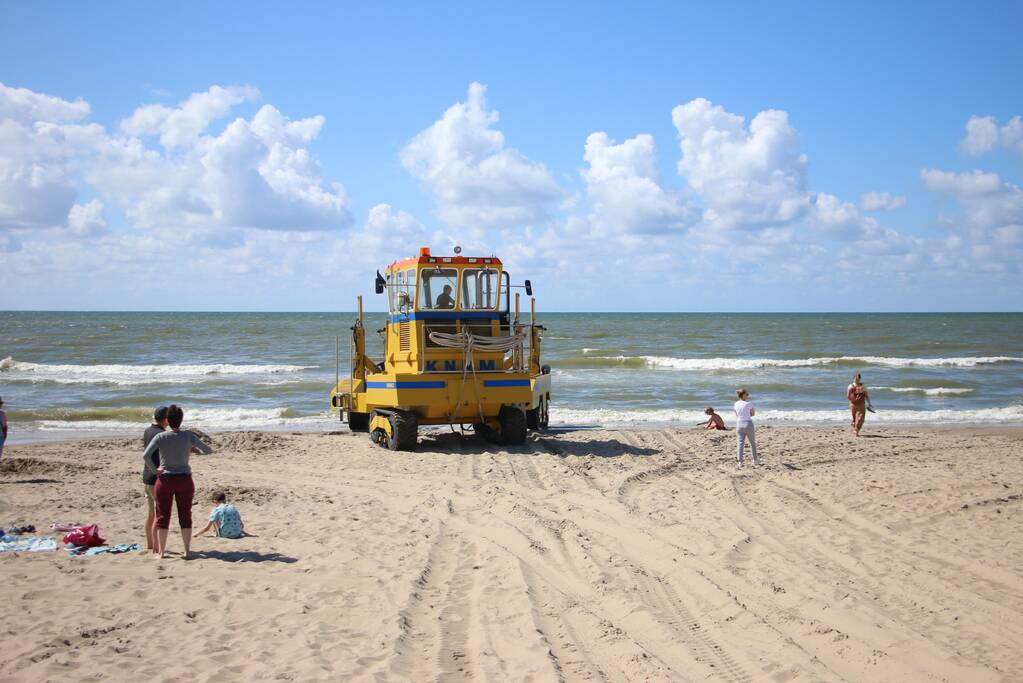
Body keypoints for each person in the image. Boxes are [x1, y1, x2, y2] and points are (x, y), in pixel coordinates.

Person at [142, 404, 213, 559]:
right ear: (181, 420)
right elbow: (208, 450)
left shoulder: (161, 436)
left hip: (165, 480)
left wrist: (155, 470)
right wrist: (193, 451)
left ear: (168, 420)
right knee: (185, 515)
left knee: (163, 516)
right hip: (184, 479)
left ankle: (161, 552)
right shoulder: (188, 436)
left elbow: (146, 456)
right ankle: (187, 551)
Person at [142, 406, 169, 552]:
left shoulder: (148, 430)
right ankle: (156, 548)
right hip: (155, 477)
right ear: (165, 419)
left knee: (151, 513)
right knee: (158, 513)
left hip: (146, 476)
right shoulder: (160, 433)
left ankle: (150, 544)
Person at [733, 388, 762, 467]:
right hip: (748, 423)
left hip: (739, 424)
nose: (748, 395)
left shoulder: (735, 404)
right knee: (752, 443)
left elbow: (737, 415)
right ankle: (755, 460)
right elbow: (753, 414)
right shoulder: (749, 403)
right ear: (742, 395)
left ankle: (740, 462)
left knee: (740, 443)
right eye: (746, 394)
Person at [847, 372, 873, 437]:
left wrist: (869, 403)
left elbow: (866, 395)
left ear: (860, 379)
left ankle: (856, 431)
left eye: (858, 378)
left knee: (861, 418)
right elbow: (848, 396)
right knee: (854, 419)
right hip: (853, 404)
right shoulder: (850, 386)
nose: (856, 379)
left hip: (861, 404)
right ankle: (855, 427)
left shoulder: (863, 386)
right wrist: (851, 402)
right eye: (855, 378)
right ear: (853, 378)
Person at [0, 396, 7, 460]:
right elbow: (5, 426)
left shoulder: (2, 413)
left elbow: (5, 426)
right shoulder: (2, 413)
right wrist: (5, 435)